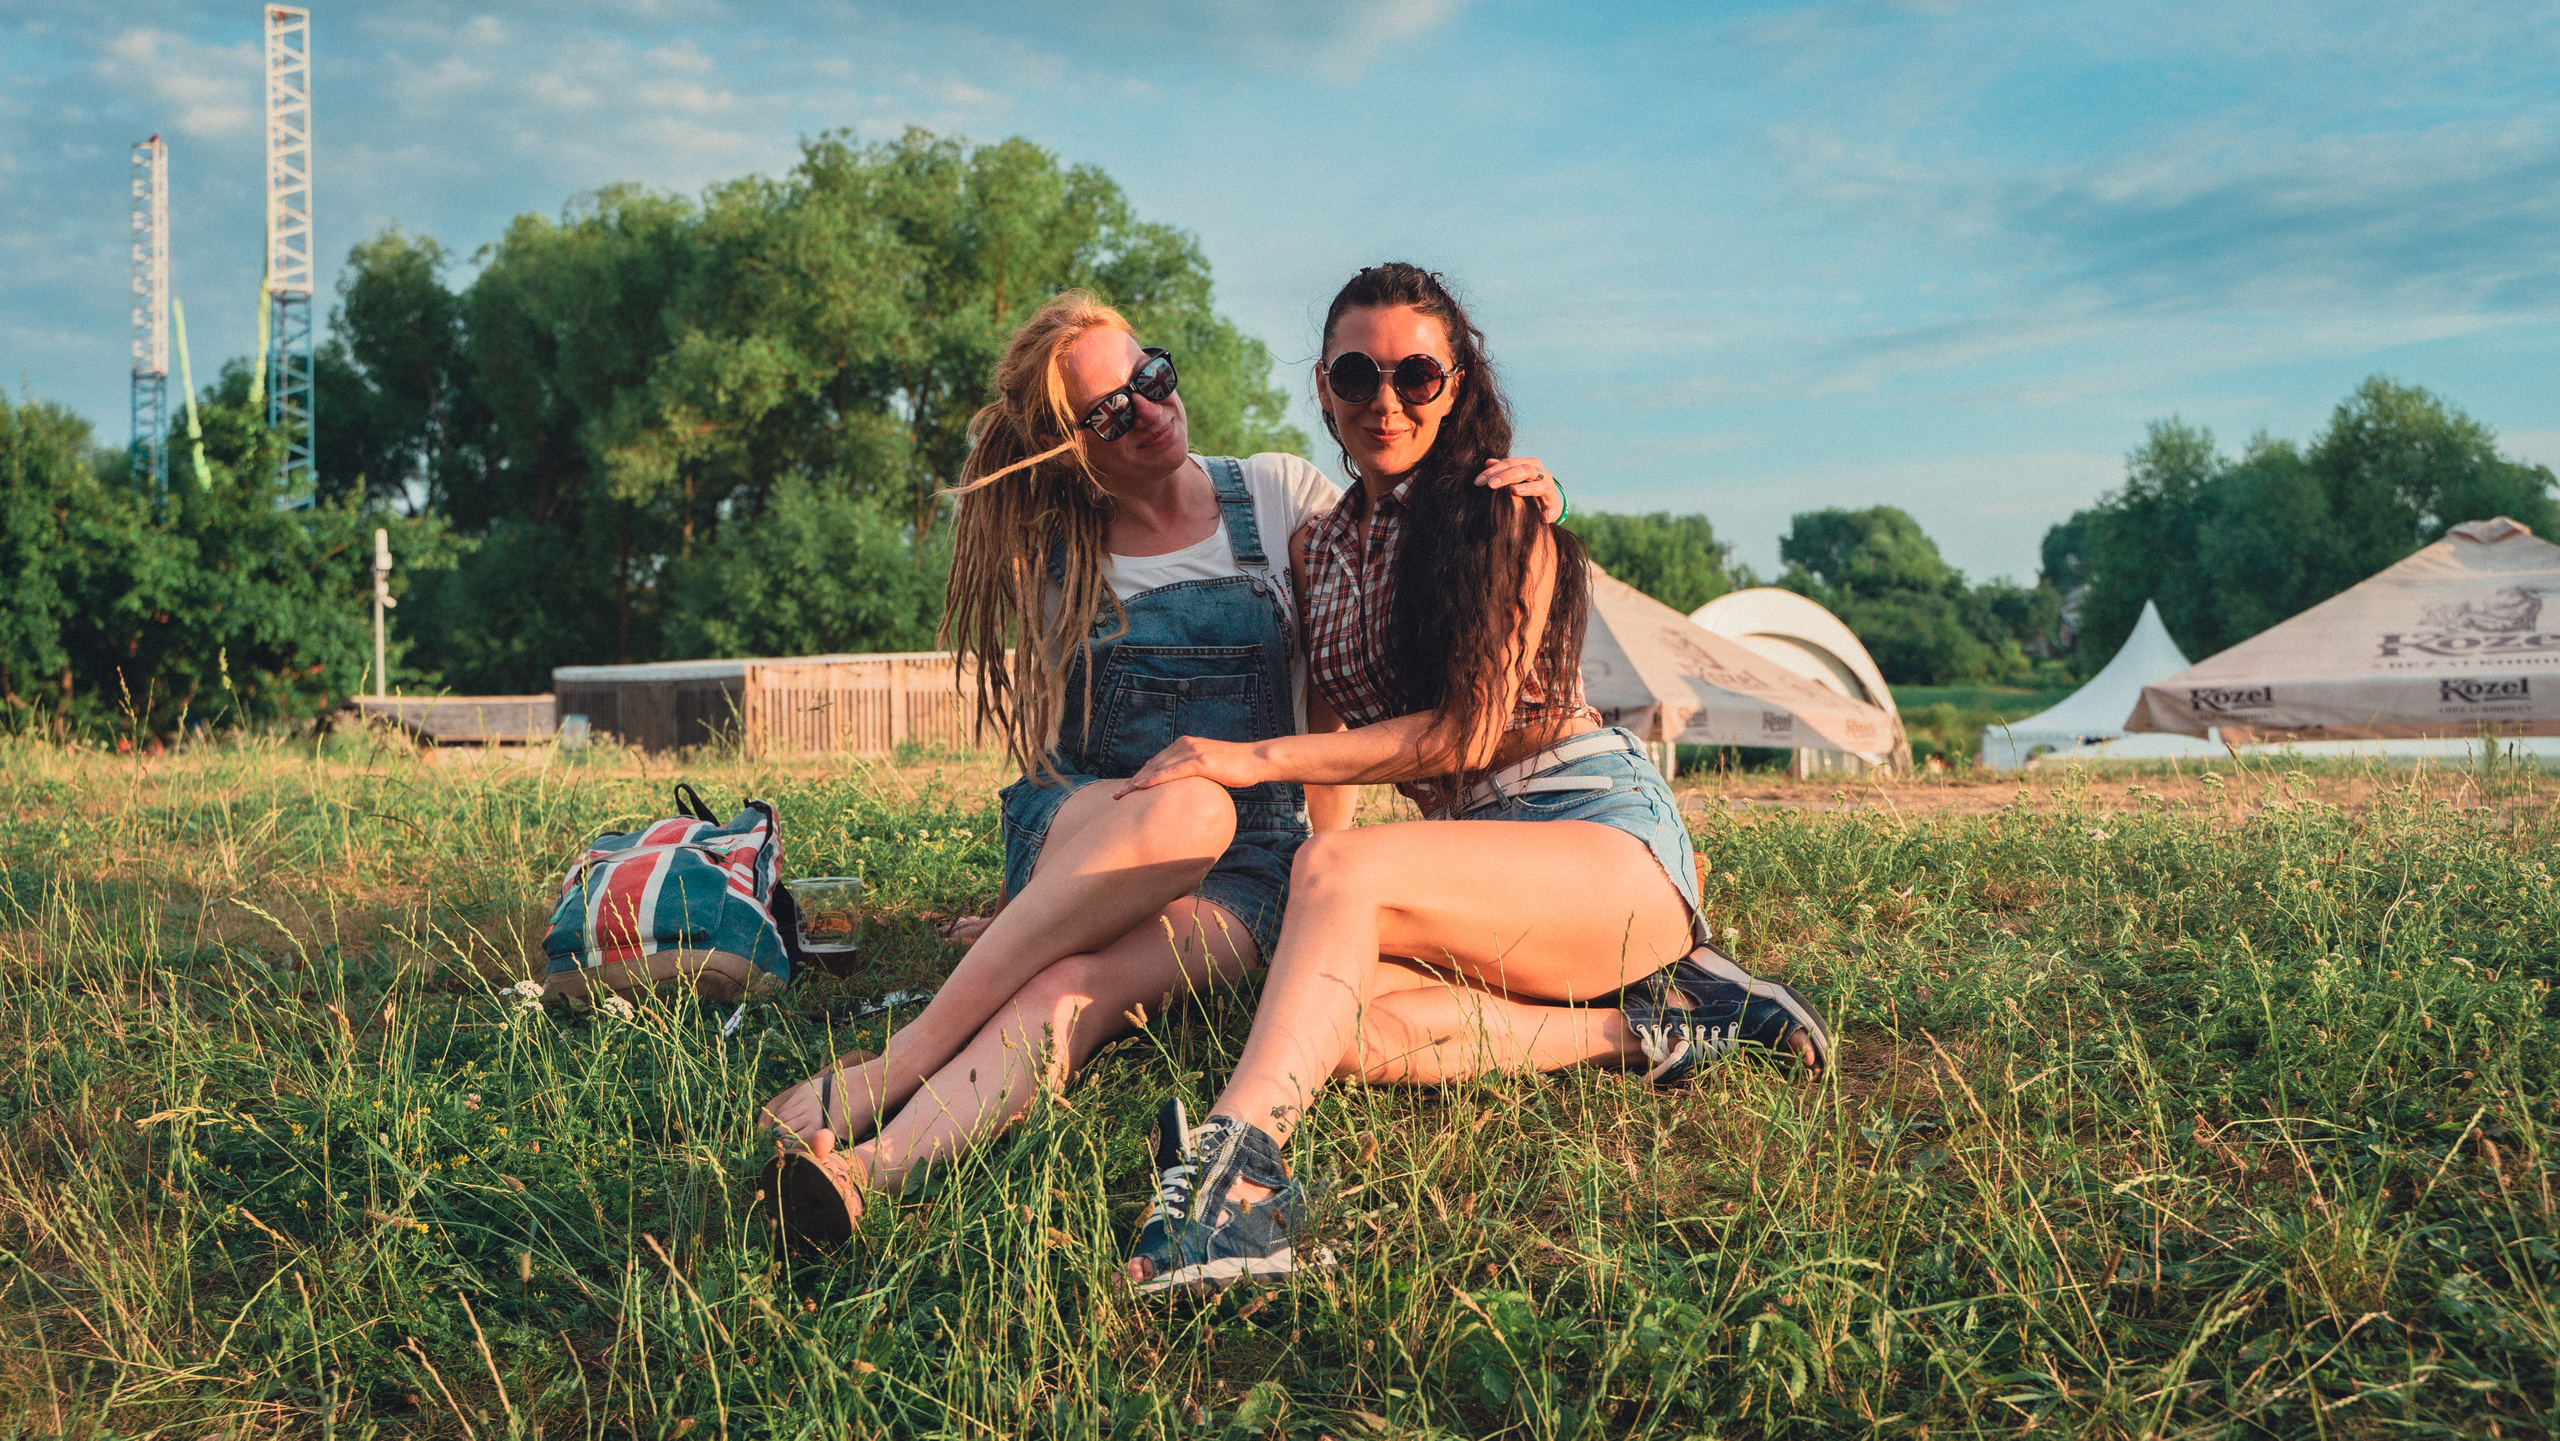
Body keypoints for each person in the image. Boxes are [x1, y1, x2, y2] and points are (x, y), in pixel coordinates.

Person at [756, 291, 1560, 1241]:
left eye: (1151, 376)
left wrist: (1502, 505)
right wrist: (1052, 896)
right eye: (1108, 411)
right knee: (1187, 810)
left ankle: (862, 1173)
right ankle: (907, 1054)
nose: (1147, 407)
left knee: (1074, 990)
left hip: (1248, 870)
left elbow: (1355, 640)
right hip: (1092, 825)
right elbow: (1056, 751)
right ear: (1069, 447)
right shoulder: (1055, 550)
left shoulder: (1274, 495)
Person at [1111, 263, 1832, 1292]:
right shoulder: (1318, 547)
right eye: (1357, 375)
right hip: (1467, 873)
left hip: (1594, 837)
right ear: (1323, 386)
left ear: (1457, 383)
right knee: (1334, 1024)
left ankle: (1237, 1182)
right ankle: (1661, 1023)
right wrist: (1321, 860)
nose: (1386, 400)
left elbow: (1463, 733)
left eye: (1416, 374)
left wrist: (1256, 770)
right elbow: (1327, 723)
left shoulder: (1500, 512)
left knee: (1338, 888)